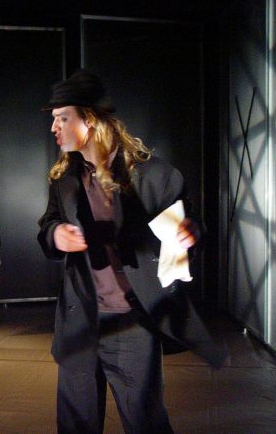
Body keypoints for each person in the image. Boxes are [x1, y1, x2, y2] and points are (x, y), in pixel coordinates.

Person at [38, 70, 226, 433]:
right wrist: (55, 234)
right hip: (79, 323)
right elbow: (47, 225)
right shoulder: (64, 178)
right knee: (75, 424)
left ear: (90, 119)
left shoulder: (154, 175)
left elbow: (190, 225)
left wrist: (189, 233)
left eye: (62, 118)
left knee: (146, 421)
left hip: (132, 323)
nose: (54, 128)